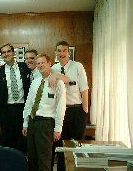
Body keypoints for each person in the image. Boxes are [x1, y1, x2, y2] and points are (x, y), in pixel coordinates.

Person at [22, 53, 66, 171]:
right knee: (32, 158)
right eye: (38, 63)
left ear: (49, 63)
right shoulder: (35, 82)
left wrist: (58, 129)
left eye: (43, 62)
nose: (40, 65)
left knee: (44, 159)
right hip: (32, 122)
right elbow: (29, 104)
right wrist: (25, 123)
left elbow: (60, 107)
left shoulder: (58, 83)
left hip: (46, 124)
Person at [51, 40, 89, 171]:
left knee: (77, 144)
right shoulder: (53, 69)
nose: (61, 53)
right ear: (56, 53)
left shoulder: (77, 66)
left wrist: (85, 111)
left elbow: (84, 89)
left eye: (64, 50)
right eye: (59, 51)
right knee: (61, 145)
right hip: (61, 112)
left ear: (69, 52)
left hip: (76, 110)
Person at [0, 43, 31, 153]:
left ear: (13, 53)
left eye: (8, 51)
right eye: (3, 52)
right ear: (1, 55)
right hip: (6, 111)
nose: (6, 54)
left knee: (22, 140)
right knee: (7, 142)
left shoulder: (24, 67)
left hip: (22, 109)